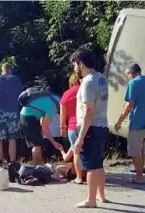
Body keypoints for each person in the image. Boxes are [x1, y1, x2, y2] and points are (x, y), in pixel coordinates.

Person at [71, 47, 109, 208]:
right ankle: (101, 195)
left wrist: (80, 138)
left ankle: (91, 200)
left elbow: (88, 111)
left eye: (74, 65)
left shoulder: (87, 82)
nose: (74, 69)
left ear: (80, 64)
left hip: (90, 128)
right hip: (102, 126)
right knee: (98, 164)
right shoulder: (101, 78)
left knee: (91, 166)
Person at [0, 63, 23, 164]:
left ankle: (0, 162)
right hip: (13, 112)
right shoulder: (16, 80)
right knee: (12, 138)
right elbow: (20, 96)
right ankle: (12, 162)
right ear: (11, 70)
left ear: (1, 70)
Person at [19, 89, 64, 166]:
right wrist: (54, 142)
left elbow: (43, 122)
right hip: (28, 116)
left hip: (30, 114)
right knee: (37, 145)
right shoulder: (53, 108)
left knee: (38, 142)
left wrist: (53, 142)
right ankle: (37, 169)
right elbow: (45, 127)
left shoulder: (56, 99)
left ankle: (39, 168)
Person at [59, 72, 83, 184]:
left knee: (76, 152)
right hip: (87, 125)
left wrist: (62, 127)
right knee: (86, 151)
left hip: (73, 127)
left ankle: (79, 176)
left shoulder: (67, 94)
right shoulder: (86, 91)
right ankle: (87, 173)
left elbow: (63, 115)